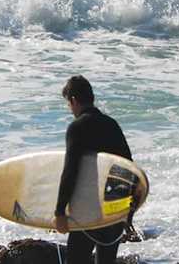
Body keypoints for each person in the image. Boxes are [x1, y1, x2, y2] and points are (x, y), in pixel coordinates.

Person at [54, 75, 133, 264]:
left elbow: (71, 170)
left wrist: (59, 212)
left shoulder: (77, 127)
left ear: (73, 100)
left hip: (88, 208)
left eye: (68, 104)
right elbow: (128, 167)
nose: (70, 109)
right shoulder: (111, 124)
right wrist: (128, 213)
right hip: (114, 207)